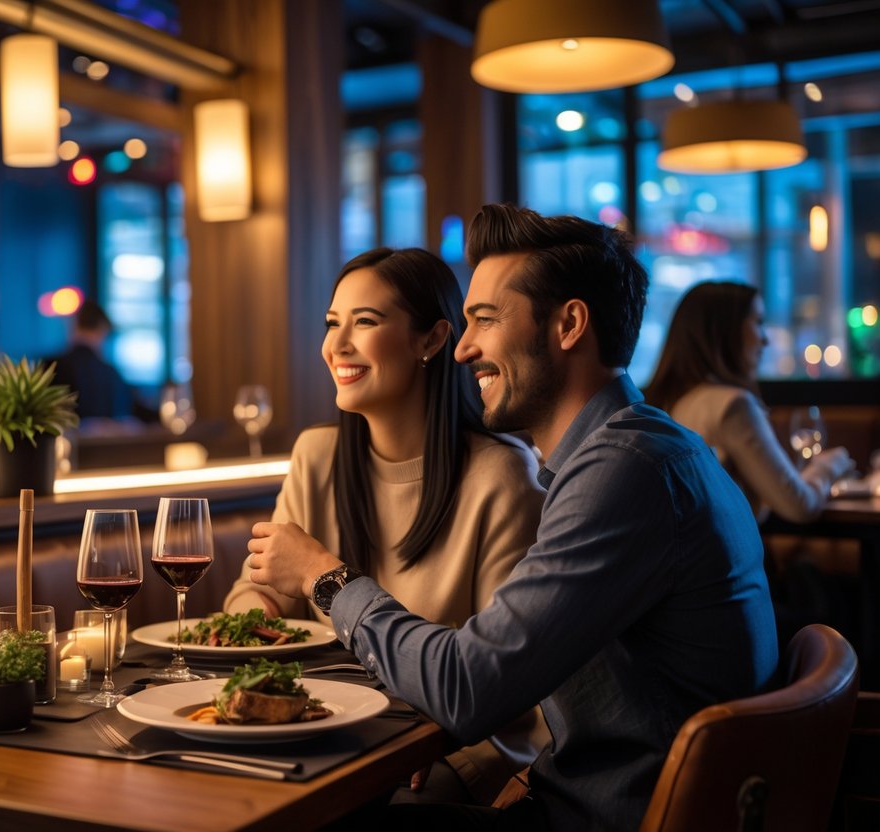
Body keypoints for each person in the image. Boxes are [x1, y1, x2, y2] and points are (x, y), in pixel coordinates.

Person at [246, 204, 779, 831]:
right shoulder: (630, 454)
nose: (465, 348)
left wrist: (326, 577)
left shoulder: (624, 474)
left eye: (485, 320)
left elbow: (468, 687)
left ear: (569, 325)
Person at [223, 247, 548, 802]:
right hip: (315, 736)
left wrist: (433, 747)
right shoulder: (316, 456)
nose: (337, 345)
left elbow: (508, 689)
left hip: (443, 755)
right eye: (332, 324)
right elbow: (254, 588)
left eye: (366, 322)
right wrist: (261, 618)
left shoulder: (500, 475)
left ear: (432, 339)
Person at [644, 281, 854, 522]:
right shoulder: (732, 406)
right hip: (730, 559)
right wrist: (829, 466)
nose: (765, 340)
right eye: (758, 322)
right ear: (726, 331)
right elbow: (799, 504)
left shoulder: (666, 403)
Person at [49, 299, 156, 424]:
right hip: (106, 443)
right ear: (102, 328)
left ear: (73, 326)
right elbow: (139, 411)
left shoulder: (51, 368)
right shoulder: (110, 373)